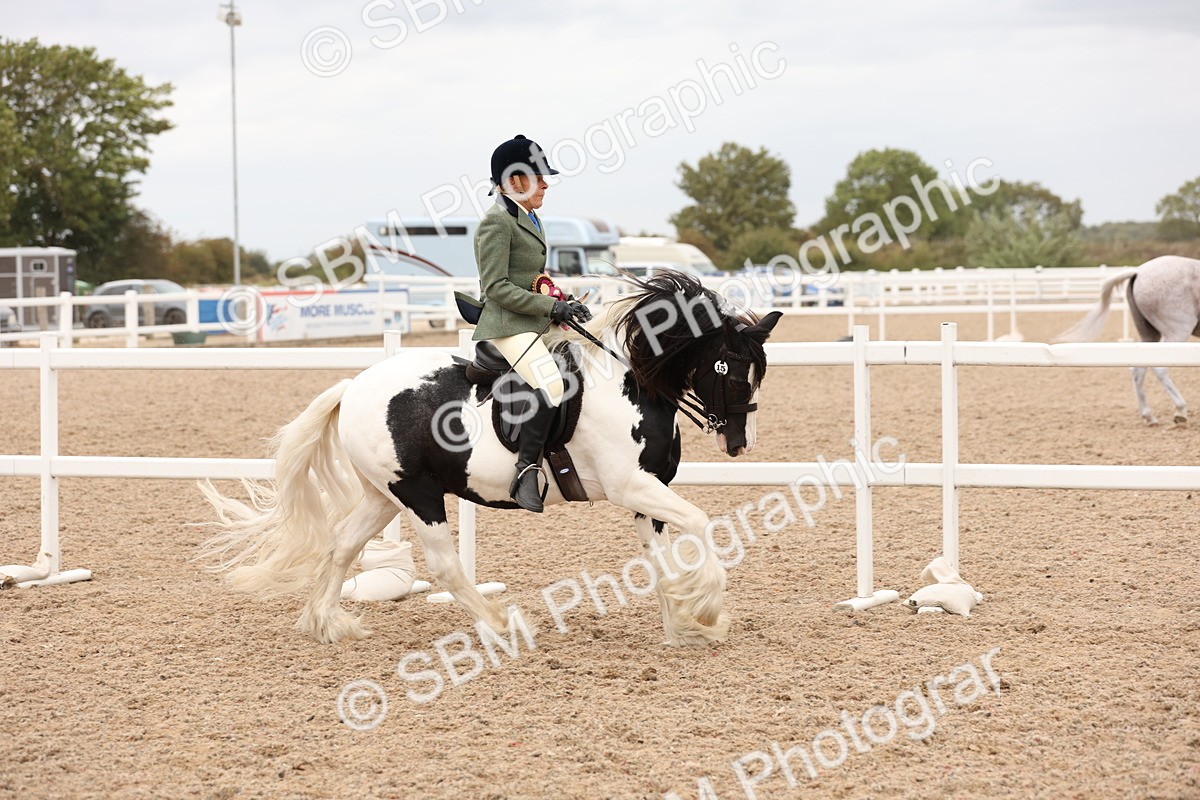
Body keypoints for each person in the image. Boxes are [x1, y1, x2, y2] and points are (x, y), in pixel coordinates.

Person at [472, 134, 591, 512]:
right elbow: (495, 288)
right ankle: (526, 470)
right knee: (551, 382)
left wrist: (563, 302)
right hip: (506, 323)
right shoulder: (496, 224)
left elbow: (530, 277)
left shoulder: (529, 217)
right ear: (515, 180)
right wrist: (550, 308)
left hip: (532, 317)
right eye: (539, 178)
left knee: (589, 352)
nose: (545, 185)